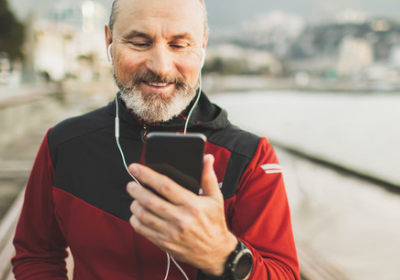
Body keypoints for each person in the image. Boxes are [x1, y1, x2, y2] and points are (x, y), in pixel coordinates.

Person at [11, 0, 300, 279]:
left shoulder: (250, 157)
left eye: (179, 44)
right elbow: (37, 255)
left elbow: (284, 274)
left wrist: (224, 255)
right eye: (139, 42)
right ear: (109, 41)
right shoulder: (63, 144)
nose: (161, 66)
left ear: (202, 45)